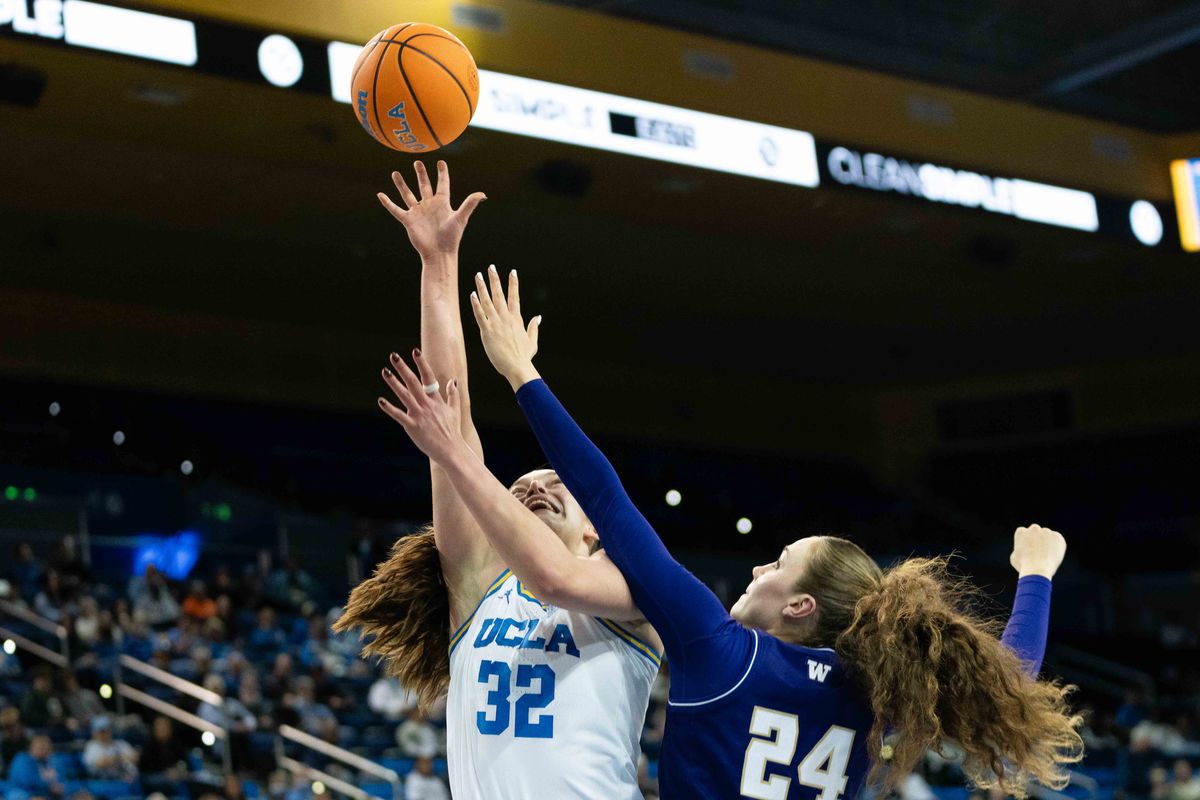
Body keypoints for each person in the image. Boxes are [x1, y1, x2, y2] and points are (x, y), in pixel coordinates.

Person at [380, 270, 1086, 799]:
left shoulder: (715, 647)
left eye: (778, 564)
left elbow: (608, 499)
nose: (756, 570)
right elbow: (1010, 677)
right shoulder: (872, 697)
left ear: (801, 605)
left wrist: (522, 375)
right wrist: (1036, 580)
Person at [335, 161, 662, 800]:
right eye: (520, 487)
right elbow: (450, 409)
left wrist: (466, 448)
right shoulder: (479, 587)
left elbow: (554, 575)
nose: (536, 485)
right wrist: (437, 265)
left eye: (555, 484)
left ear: (597, 527)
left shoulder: (632, 595)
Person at [7, 735, 65, 799]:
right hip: (23, 794)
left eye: (46, 746)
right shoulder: (22, 758)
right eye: (41, 746)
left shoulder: (50, 762)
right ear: (31, 747)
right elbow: (26, 781)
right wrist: (50, 786)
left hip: (46, 795)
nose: (44, 749)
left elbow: (60, 779)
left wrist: (59, 787)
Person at [81, 717, 137, 781]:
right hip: (105, 781)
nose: (104, 734)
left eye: (106, 730)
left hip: (130, 779)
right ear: (94, 733)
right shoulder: (91, 746)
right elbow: (100, 763)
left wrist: (114, 759)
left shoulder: (121, 743)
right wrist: (122, 758)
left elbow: (135, 758)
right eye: (101, 732)